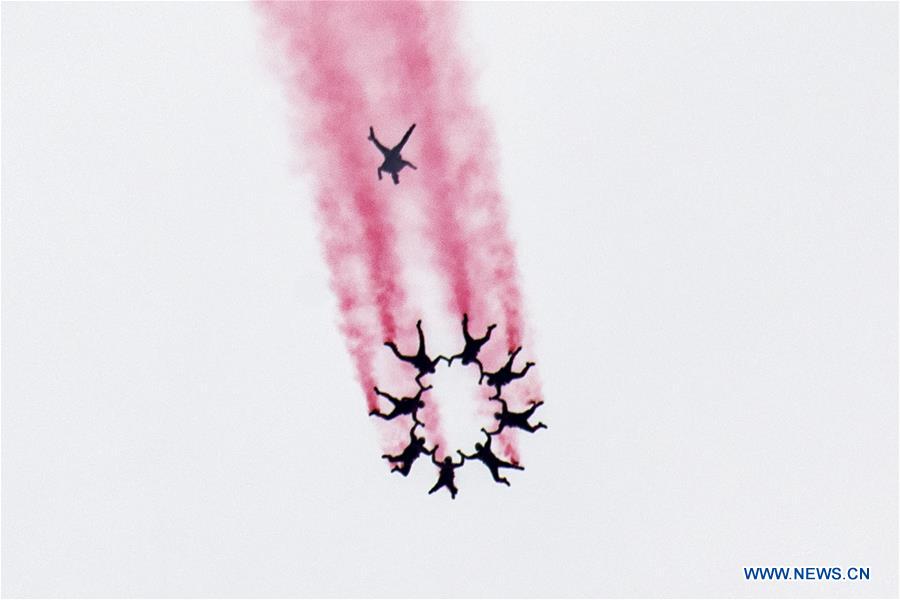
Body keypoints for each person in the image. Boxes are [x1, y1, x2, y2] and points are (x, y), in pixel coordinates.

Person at [458, 429, 524, 486]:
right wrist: (460, 453)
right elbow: (468, 457)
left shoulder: (482, 451)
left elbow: (489, 438)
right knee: (498, 477)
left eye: (479, 446)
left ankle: (518, 468)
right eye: (478, 447)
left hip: (495, 463)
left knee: (507, 466)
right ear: (478, 448)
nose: (479, 447)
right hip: (493, 465)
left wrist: (460, 453)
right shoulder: (479, 454)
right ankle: (505, 479)